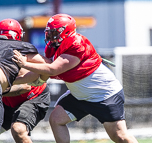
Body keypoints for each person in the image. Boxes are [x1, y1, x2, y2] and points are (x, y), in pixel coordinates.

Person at [12, 14, 139, 143]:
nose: (51, 36)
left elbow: (52, 69)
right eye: (49, 32)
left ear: (66, 31)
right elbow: (42, 71)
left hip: (103, 94)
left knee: (120, 136)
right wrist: (13, 81)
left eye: (54, 32)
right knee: (56, 120)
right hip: (80, 95)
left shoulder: (76, 44)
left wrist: (25, 63)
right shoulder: (53, 46)